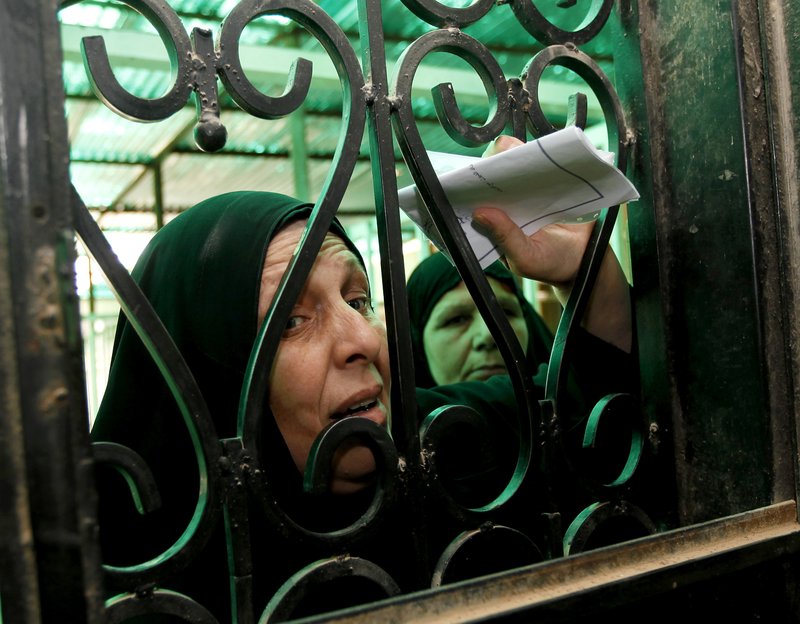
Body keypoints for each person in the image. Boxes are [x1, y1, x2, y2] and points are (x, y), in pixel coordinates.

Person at [90, 141, 634, 621]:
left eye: (359, 300)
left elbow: (595, 413)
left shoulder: (445, 443)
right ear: (207, 370)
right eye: (291, 321)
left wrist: (587, 269)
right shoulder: (128, 580)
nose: (365, 340)